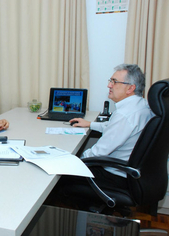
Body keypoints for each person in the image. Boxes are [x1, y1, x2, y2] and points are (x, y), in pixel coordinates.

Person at [45, 64, 154, 205]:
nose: (109, 85)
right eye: (110, 80)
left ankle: (61, 219)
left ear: (130, 88)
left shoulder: (124, 115)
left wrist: (72, 162)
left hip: (115, 176)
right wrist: (90, 124)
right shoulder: (140, 105)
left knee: (57, 178)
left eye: (114, 82)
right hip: (130, 173)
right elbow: (114, 129)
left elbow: (99, 152)